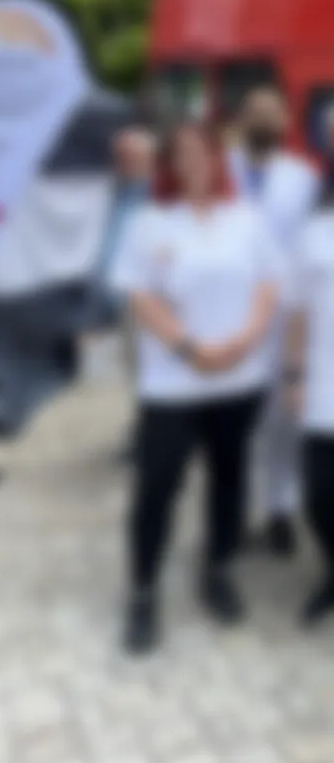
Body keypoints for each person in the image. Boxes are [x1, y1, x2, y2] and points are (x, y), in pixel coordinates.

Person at [110, 121, 283, 653]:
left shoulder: (248, 221)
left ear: (217, 161)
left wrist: (246, 340)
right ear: (171, 166)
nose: (194, 165)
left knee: (229, 480)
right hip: (174, 384)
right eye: (181, 155)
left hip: (238, 379)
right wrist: (190, 348)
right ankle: (143, 591)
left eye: (202, 154)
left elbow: (270, 285)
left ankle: (218, 571)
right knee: (157, 488)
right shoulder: (152, 224)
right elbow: (142, 297)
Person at [227, 86, 320, 556]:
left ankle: (280, 511)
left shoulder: (302, 179)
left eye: (273, 113)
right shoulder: (222, 172)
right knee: (234, 426)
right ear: (244, 119)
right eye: (256, 112)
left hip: (284, 319)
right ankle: (236, 515)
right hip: (228, 319)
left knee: (283, 423)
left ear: (285, 122)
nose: (265, 120)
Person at [285, 174, 334, 625]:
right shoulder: (315, 234)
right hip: (324, 385)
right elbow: (297, 313)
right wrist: (294, 375)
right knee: (319, 496)